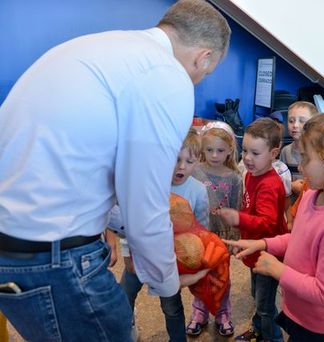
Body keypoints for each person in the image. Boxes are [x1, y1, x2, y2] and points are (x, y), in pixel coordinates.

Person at [0, 0, 230, 340]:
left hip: (19, 245)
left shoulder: (100, 47)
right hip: (55, 257)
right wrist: (167, 281)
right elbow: (145, 203)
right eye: (205, 74)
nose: (197, 80)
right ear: (204, 57)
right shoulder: (166, 75)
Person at [225, 114, 324, 341]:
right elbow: (297, 239)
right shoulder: (311, 195)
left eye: (306, 158)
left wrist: (277, 269)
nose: (301, 165)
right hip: (299, 311)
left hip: (319, 327)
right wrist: (263, 243)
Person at [116, 129, 209, 342]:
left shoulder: (198, 191)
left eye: (189, 161)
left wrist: (196, 263)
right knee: (123, 297)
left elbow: (202, 231)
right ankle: (125, 332)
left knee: (171, 308)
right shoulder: (148, 185)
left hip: (170, 263)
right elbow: (128, 222)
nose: (182, 166)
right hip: (138, 256)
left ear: (198, 161)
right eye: (176, 159)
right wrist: (127, 253)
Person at [219, 118, 287, 342]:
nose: (247, 158)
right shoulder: (251, 174)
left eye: (255, 153)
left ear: (274, 153)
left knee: (265, 304)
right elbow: (249, 205)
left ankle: (272, 337)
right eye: (245, 150)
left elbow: (267, 223)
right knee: (257, 296)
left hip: (268, 253)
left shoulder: (269, 184)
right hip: (254, 251)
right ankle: (259, 328)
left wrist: (239, 219)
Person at [188, 121, 242, 336]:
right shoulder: (195, 171)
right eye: (209, 150)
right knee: (200, 276)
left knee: (222, 277)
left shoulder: (234, 178)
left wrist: (235, 240)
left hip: (222, 238)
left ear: (229, 150)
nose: (214, 155)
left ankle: (222, 313)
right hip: (199, 235)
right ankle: (199, 312)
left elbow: (237, 210)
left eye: (220, 150)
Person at [280, 101, 318, 196]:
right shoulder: (285, 151)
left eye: (302, 121)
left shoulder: (318, 153)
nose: (295, 125)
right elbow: (281, 179)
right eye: (291, 121)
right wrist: (291, 185)